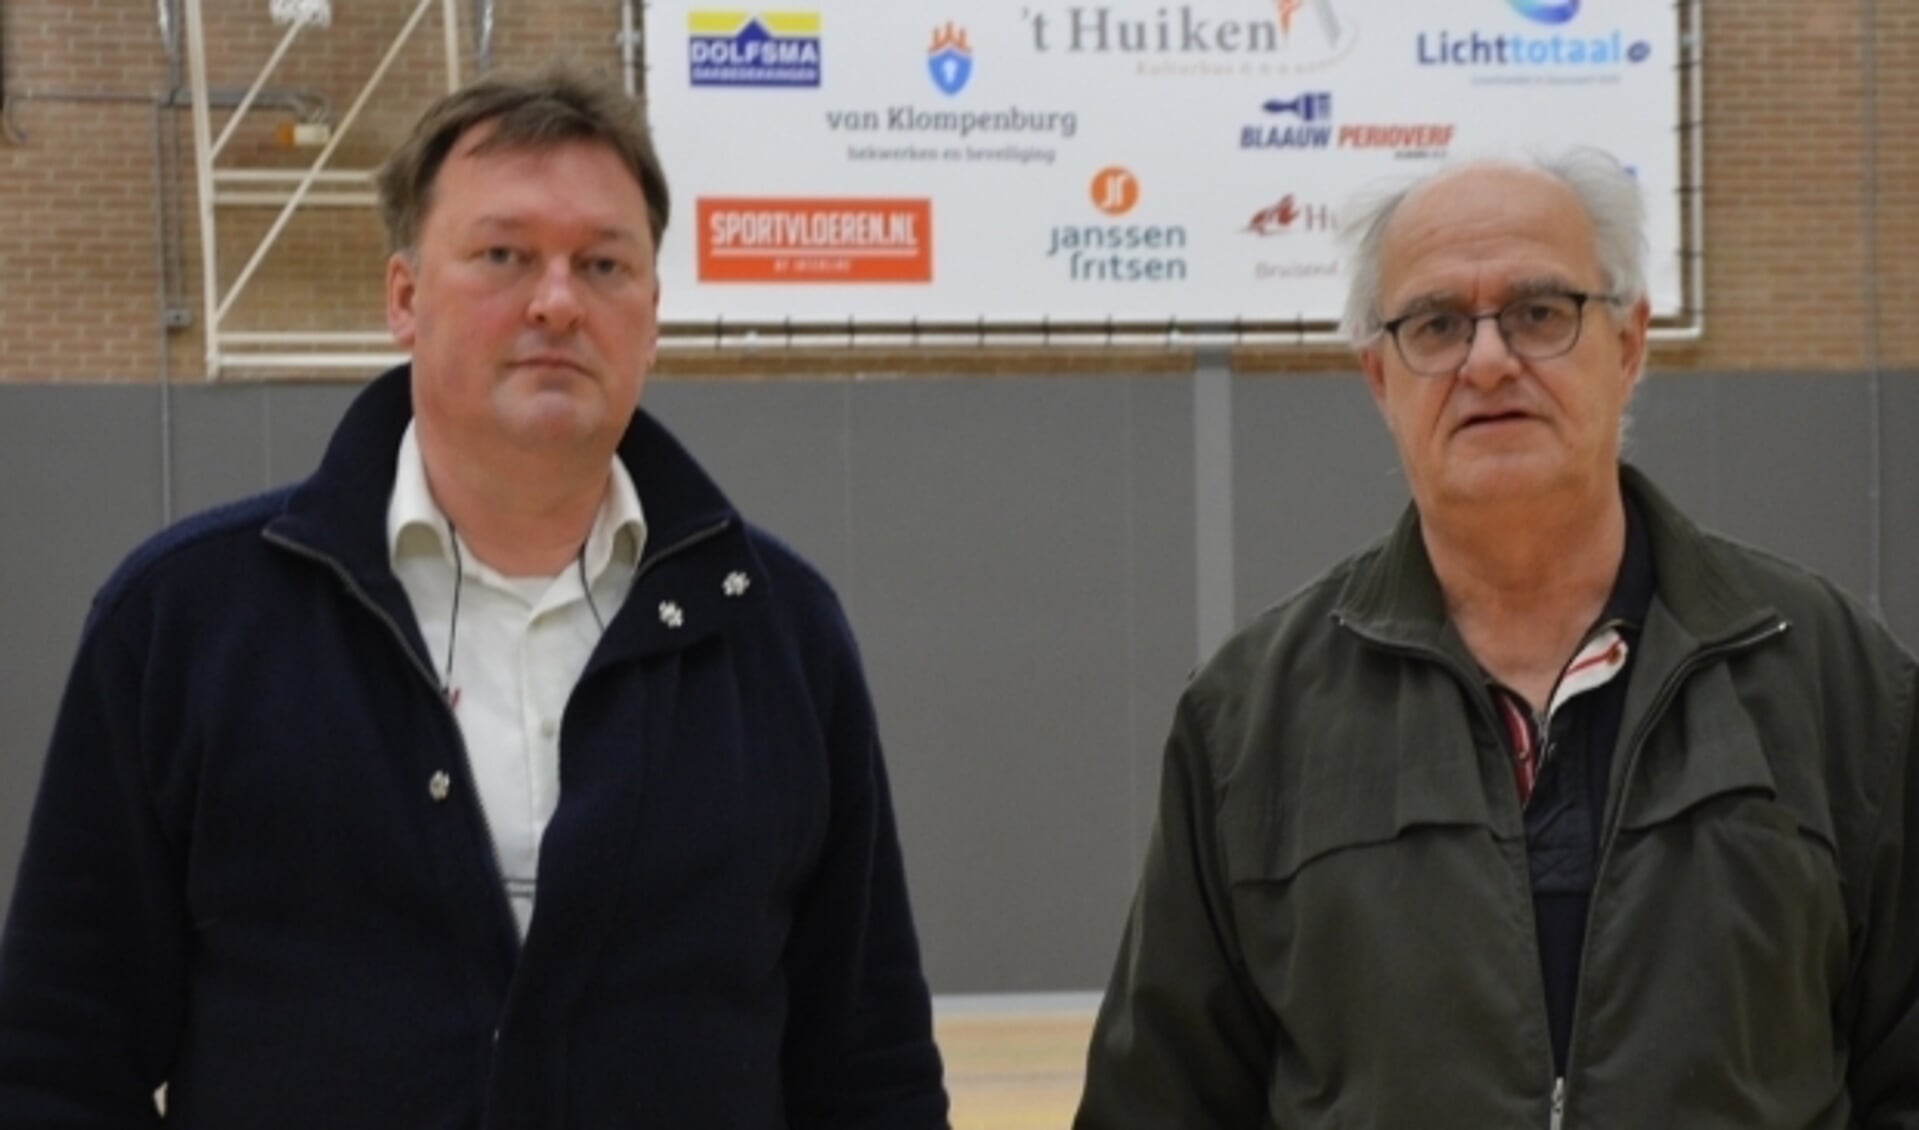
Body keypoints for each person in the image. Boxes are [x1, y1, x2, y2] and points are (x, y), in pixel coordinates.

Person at [0, 66, 948, 1129]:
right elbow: (58, 1059)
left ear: (652, 316)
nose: (556, 299)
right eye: (504, 255)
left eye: (602, 263)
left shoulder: (780, 634)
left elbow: (867, 1071)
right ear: (404, 296)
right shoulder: (182, 625)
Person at [1075, 149, 1919, 1128]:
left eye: (1536, 312)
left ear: (1627, 341)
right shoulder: (1245, 721)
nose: (1485, 361)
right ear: (1378, 377)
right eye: (1434, 323)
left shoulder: (1839, 682)